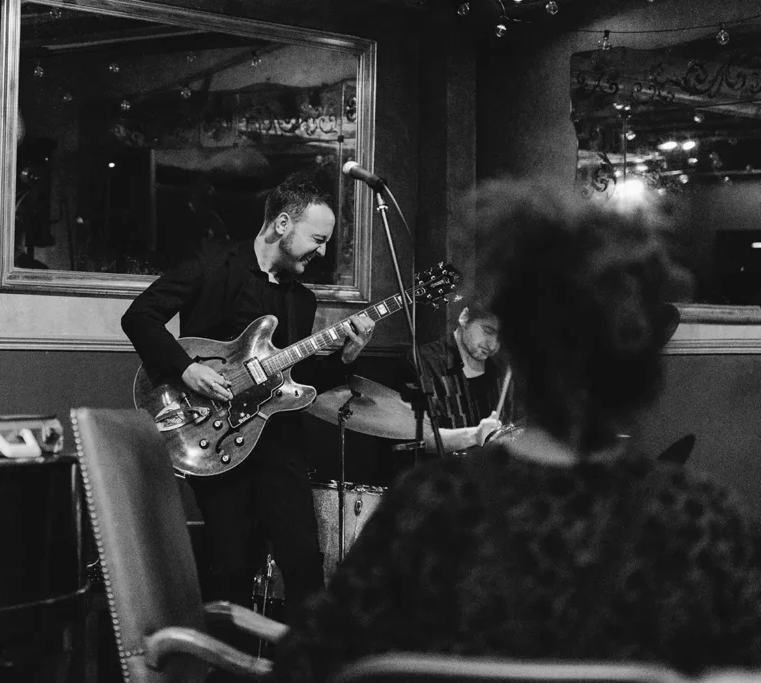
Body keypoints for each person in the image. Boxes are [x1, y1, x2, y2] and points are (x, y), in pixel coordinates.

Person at [272, 179, 761, 681]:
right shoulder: (700, 520)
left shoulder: (433, 507)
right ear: (642, 370)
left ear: (520, 354)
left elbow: (312, 665)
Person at [121, 172, 376, 616]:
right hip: (215, 441)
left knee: (304, 565)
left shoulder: (303, 300)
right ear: (282, 224)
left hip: (278, 444)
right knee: (231, 571)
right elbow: (139, 318)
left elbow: (300, 379)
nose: (322, 250)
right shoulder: (210, 265)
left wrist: (348, 356)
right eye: (317, 238)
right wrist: (188, 369)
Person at [406, 298, 511, 455]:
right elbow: (413, 436)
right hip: (443, 475)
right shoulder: (423, 362)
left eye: (501, 338)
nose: (493, 345)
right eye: (488, 331)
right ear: (464, 317)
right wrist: (475, 435)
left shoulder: (501, 369)